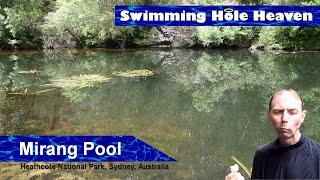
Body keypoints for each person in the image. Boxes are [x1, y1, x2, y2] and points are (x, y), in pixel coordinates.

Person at [226, 89, 320, 180]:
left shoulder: (317, 155)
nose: (284, 119)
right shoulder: (262, 155)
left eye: (292, 112)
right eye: (278, 112)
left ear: (302, 116)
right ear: (269, 115)